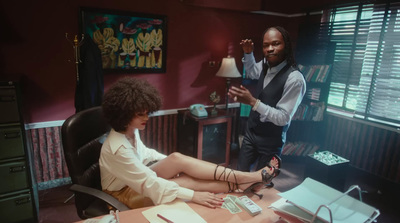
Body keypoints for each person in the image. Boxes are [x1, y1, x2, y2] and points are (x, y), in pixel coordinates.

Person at [99, 77, 280, 209]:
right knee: (185, 181)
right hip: (123, 193)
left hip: (138, 178)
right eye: (140, 114)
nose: (147, 118)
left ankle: (243, 180)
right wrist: (194, 196)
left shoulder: (131, 130)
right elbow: (148, 184)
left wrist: (177, 165)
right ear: (124, 114)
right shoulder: (117, 149)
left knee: (177, 158)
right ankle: (245, 180)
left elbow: (145, 154)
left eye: (147, 112)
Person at [228, 26, 306, 172]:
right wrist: (248, 53)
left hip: (271, 140)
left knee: (262, 182)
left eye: (275, 44)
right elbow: (251, 72)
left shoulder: (295, 79)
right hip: (252, 133)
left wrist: (252, 102)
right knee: (239, 175)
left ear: (286, 46)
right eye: (265, 45)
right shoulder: (265, 64)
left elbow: (283, 118)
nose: (270, 49)